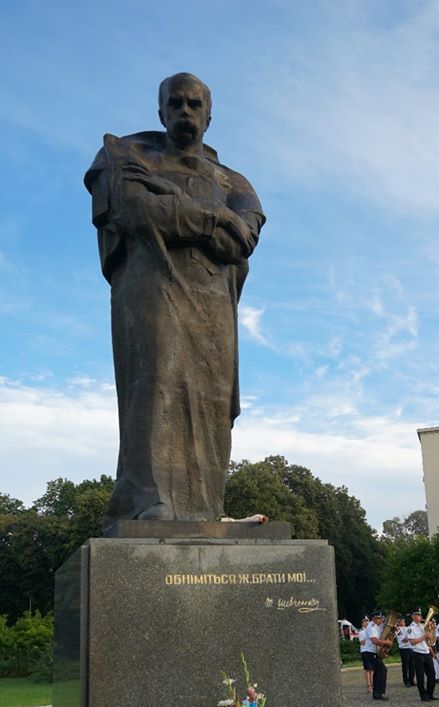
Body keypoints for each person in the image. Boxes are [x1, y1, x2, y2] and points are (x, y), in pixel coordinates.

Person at [85, 73, 265, 528]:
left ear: (209, 116)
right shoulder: (124, 156)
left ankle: (205, 509)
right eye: (176, 104)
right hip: (153, 288)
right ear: (161, 112)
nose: (185, 112)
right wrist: (213, 218)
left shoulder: (234, 180)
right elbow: (135, 210)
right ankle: (149, 498)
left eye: (194, 105)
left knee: (211, 401)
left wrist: (188, 215)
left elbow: (241, 241)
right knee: (155, 382)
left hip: (212, 302)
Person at [407, 609, 437, 701]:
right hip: (417, 653)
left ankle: (430, 693)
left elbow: (431, 638)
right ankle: (423, 696)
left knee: (432, 674)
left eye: (420, 615)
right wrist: (424, 636)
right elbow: (412, 642)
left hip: (426, 652)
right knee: (420, 676)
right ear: (413, 616)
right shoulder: (410, 628)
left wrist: (432, 628)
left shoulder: (423, 626)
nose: (420, 617)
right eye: (417, 615)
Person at [366, 611, 392, 700]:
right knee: (382, 669)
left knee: (378, 671)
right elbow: (375, 641)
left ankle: (376, 693)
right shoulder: (371, 627)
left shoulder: (379, 626)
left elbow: (385, 633)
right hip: (370, 652)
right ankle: (380, 692)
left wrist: (393, 630)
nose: (380, 620)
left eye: (381, 618)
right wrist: (386, 643)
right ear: (373, 618)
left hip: (374, 652)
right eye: (378, 618)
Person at [396, 617, 415, 687]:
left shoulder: (407, 628)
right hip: (404, 649)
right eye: (402, 621)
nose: (403, 622)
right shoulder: (398, 630)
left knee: (412, 666)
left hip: (411, 648)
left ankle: (411, 680)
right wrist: (410, 636)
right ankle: (406, 681)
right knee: (405, 666)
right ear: (398, 622)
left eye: (404, 620)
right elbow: (403, 640)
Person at [358, 616, 373, 694]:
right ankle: (369, 686)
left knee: (371, 669)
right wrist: (371, 640)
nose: (367, 622)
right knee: (367, 669)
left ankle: (372, 684)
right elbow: (362, 642)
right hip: (364, 651)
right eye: (365, 621)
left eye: (367, 621)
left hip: (370, 651)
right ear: (362, 623)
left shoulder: (370, 630)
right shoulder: (362, 632)